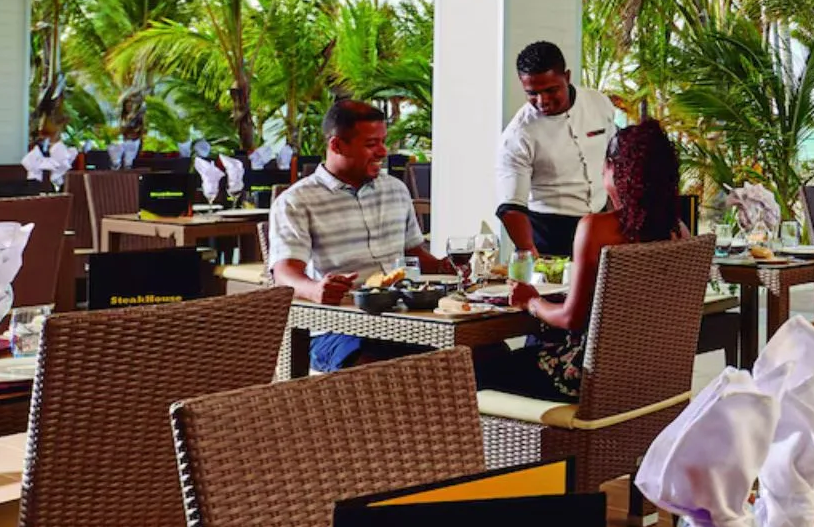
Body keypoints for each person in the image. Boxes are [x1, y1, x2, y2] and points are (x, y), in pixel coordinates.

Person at [497, 119, 685, 400]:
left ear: (616, 170)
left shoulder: (596, 229)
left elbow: (571, 317)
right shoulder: (678, 232)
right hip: (649, 378)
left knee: (480, 367)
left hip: (586, 379)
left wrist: (531, 301)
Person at [270, 101, 454, 372]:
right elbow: (284, 274)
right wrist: (315, 290)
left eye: (383, 141)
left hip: (404, 320)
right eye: (371, 144)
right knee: (381, 373)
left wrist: (447, 267)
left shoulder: (396, 190)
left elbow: (414, 254)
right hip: (335, 329)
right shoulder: (296, 201)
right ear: (337, 145)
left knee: (483, 354)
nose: (383, 151)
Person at [494, 40, 619, 258]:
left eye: (551, 90)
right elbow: (511, 207)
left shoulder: (598, 103)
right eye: (532, 93)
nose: (542, 101)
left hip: (600, 226)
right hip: (549, 236)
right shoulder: (518, 135)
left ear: (567, 77)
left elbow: (614, 157)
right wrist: (528, 251)